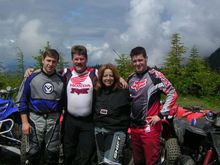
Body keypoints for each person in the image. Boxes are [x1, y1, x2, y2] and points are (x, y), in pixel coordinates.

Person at [23, 45, 128, 165]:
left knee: (85, 155)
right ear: (72, 60)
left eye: (81, 59)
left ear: (86, 59)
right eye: (76, 59)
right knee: (69, 153)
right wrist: (31, 71)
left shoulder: (94, 73)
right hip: (69, 121)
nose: (79, 62)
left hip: (88, 122)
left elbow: (109, 75)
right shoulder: (65, 73)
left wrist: (120, 78)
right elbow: (48, 72)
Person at [128, 46, 178, 165]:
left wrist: (161, 115)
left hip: (149, 127)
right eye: (134, 61)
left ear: (146, 59)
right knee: (138, 161)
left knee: (151, 161)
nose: (137, 63)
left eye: (140, 60)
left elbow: (172, 93)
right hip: (134, 128)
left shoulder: (155, 75)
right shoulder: (130, 78)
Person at [19, 49, 65, 165]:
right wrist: (24, 123)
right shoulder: (31, 77)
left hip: (53, 120)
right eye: (48, 60)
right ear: (42, 60)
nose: (50, 64)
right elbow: (22, 101)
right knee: (33, 152)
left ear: (57, 62)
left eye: (53, 61)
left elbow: (64, 102)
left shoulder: (61, 80)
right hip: (35, 119)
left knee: (52, 152)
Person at [93, 64, 130, 165]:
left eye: (111, 76)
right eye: (105, 76)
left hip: (116, 132)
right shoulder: (97, 90)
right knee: (101, 162)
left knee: (111, 162)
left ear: (115, 77)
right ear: (101, 77)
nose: (108, 78)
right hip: (98, 131)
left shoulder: (123, 90)